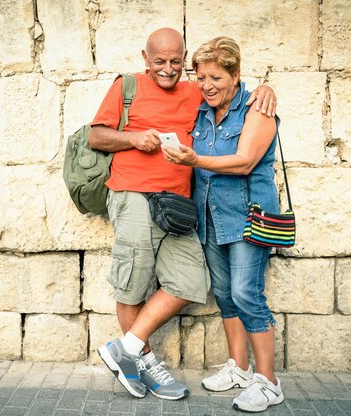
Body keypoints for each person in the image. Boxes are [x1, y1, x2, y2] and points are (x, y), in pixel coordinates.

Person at [88, 28, 277, 401]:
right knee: (134, 283)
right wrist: (133, 138)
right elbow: (96, 136)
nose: (169, 69)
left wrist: (266, 88)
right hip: (134, 195)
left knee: (191, 281)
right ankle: (142, 362)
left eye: (177, 62)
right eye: (160, 62)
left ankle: (125, 348)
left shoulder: (200, 92)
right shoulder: (127, 86)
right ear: (146, 59)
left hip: (180, 203)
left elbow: (233, 92)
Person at [162, 36, 283, 412]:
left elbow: (245, 160)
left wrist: (193, 161)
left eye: (215, 77)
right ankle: (240, 368)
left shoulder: (256, 110)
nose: (207, 85)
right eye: (201, 78)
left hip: (249, 217)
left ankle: (269, 382)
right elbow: (164, 84)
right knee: (226, 294)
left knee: (248, 295)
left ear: (236, 75)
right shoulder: (202, 109)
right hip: (210, 216)